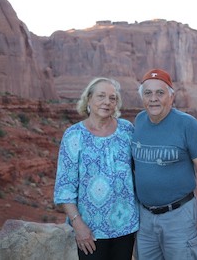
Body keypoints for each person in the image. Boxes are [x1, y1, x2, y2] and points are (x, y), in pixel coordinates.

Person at [132, 68, 197, 260]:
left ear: (171, 97)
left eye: (160, 93)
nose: (153, 98)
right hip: (145, 217)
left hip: (179, 216)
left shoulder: (187, 124)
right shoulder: (139, 120)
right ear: (142, 97)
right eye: (148, 93)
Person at [54, 77, 139, 260]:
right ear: (89, 99)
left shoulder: (127, 130)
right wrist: (78, 226)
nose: (107, 102)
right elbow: (65, 187)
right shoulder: (73, 135)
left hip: (125, 225)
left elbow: (140, 170)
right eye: (101, 96)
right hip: (90, 230)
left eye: (112, 98)